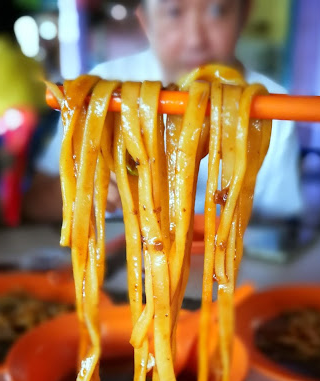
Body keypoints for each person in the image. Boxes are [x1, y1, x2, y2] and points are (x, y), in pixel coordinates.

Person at [23, 0, 304, 223]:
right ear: (145, 21)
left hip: (233, 275)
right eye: (173, 11)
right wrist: (82, 191)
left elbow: (281, 229)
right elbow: (33, 204)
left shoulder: (273, 105)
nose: (196, 39)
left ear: (244, 14)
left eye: (218, 10)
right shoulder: (99, 92)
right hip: (121, 273)